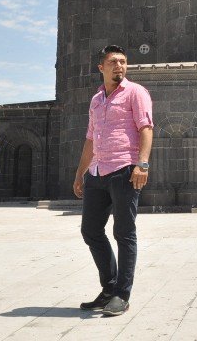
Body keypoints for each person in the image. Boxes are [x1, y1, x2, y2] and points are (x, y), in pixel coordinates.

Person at [73, 45, 154, 316]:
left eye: (123, 61)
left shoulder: (136, 92)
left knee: (124, 233)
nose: (119, 66)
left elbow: (146, 128)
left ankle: (122, 294)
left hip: (124, 169)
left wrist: (142, 164)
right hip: (97, 171)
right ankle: (108, 289)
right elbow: (89, 137)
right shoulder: (97, 100)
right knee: (91, 231)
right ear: (101, 67)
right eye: (113, 62)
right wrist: (80, 172)